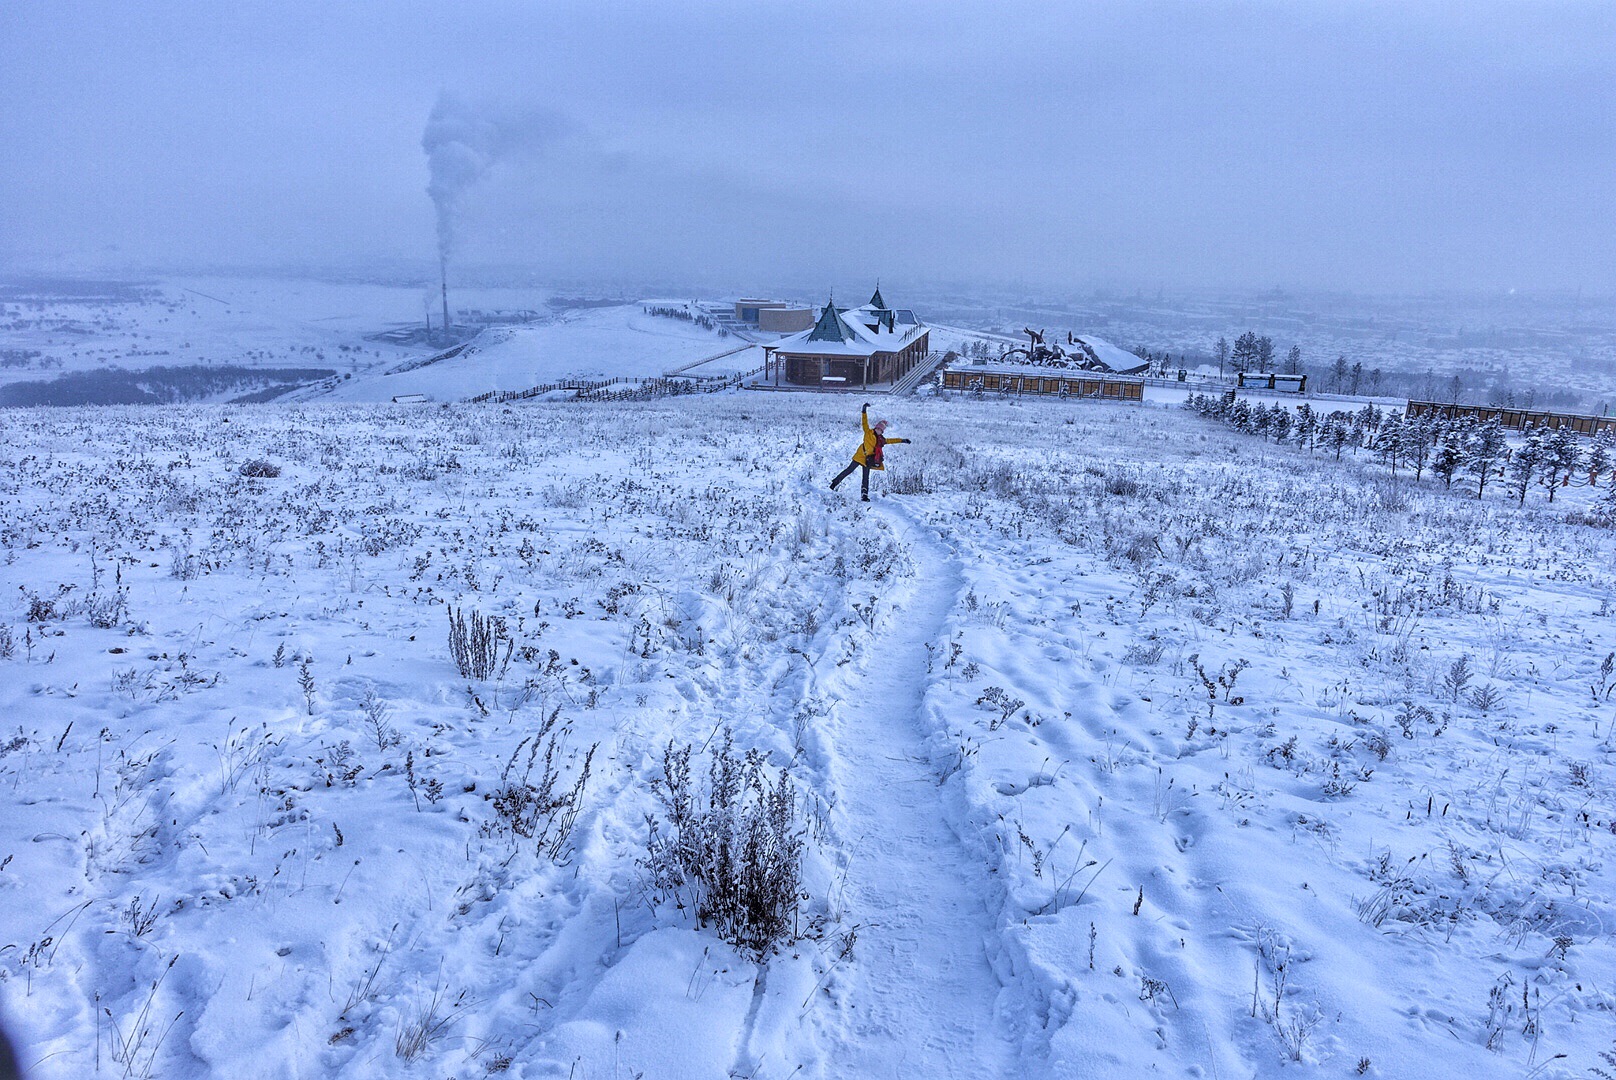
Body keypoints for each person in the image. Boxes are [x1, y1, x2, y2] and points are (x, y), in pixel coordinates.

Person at [830, 402, 910, 501]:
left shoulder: (881, 439)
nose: (878, 430)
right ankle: (834, 483)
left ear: (882, 431)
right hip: (860, 456)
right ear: (875, 427)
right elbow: (864, 421)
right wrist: (864, 410)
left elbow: (890, 440)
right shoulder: (868, 432)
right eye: (878, 428)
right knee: (849, 470)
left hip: (868, 460)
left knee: (865, 478)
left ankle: (864, 496)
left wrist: (902, 440)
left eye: (880, 430)